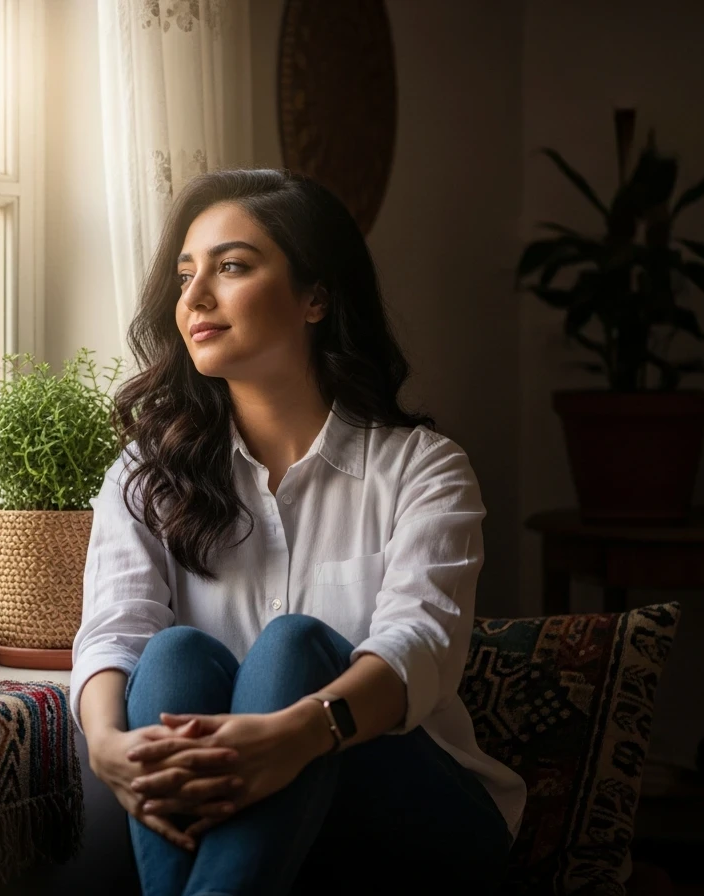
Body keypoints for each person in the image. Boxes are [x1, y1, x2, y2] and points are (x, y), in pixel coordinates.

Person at [71, 168, 526, 896]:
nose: (194, 297)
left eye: (232, 267)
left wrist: (294, 736)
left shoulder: (423, 470)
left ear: (317, 296)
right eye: (186, 274)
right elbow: (113, 632)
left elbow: (422, 648)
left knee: (293, 645)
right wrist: (106, 746)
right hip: (237, 825)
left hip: (415, 817)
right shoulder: (145, 472)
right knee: (173, 653)